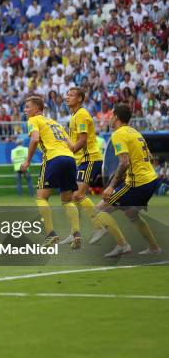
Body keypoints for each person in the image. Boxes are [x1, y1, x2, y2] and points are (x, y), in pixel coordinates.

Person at [97, 104, 161, 257]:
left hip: (138, 184)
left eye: (111, 116)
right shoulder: (135, 132)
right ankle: (154, 248)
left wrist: (111, 187)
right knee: (132, 214)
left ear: (117, 117)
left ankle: (122, 245)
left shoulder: (119, 133)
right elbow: (150, 158)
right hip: (151, 180)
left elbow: (124, 162)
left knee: (99, 210)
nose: (110, 119)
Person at [20, 96, 81, 249]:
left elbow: (34, 139)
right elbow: (73, 146)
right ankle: (77, 233)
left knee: (41, 197)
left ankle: (51, 234)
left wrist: (27, 161)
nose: (25, 110)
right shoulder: (56, 123)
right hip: (69, 158)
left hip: (53, 159)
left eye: (27, 107)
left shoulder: (34, 120)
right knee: (67, 200)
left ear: (36, 109)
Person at [63, 87, 108, 245]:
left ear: (80, 99)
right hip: (82, 160)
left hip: (89, 159)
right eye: (67, 94)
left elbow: (82, 139)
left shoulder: (81, 114)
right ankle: (75, 233)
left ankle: (100, 227)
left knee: (78, 195)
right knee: (73, 197)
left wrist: (72, 150)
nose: (67, 97)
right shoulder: (75, 114)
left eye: (71, 95)